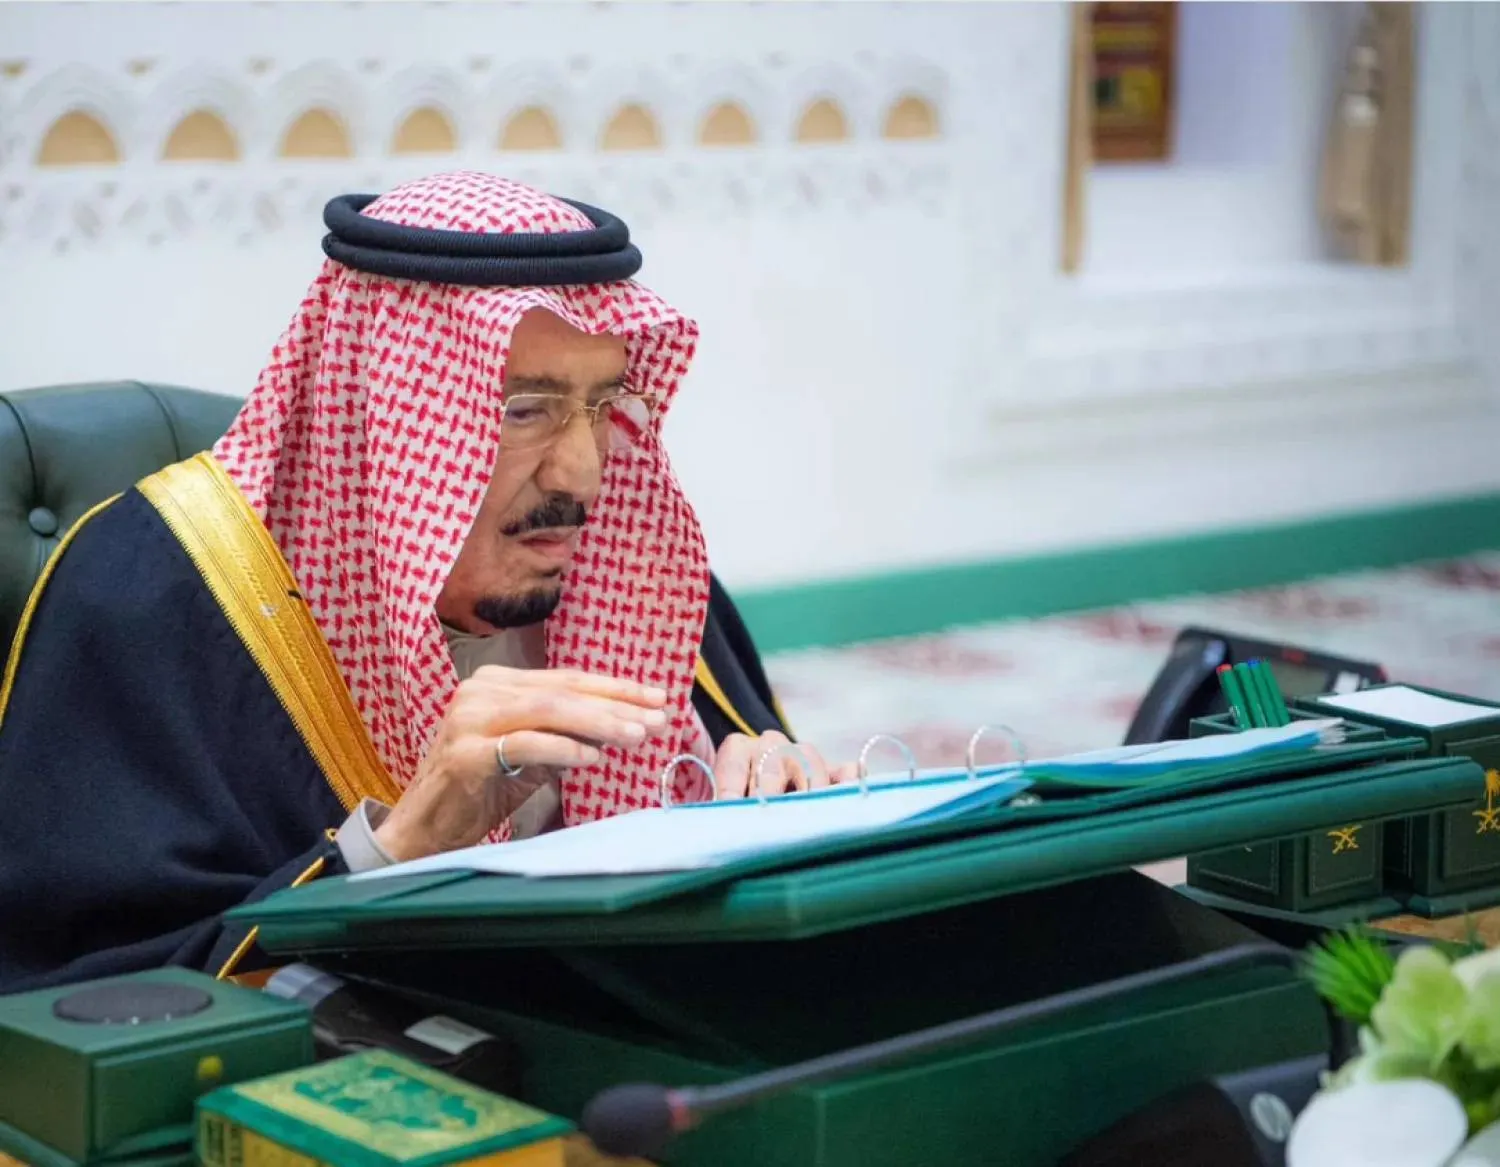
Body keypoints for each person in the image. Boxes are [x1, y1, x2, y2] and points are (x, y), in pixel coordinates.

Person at [0, 172, 854, 993]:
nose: (583, 473)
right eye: (525, 410)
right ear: (391, 415)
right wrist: (397, 845)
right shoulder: (152, 597)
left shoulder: (641, 572)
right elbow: (75, 1000)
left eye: (601, 407)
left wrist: (772, 810)